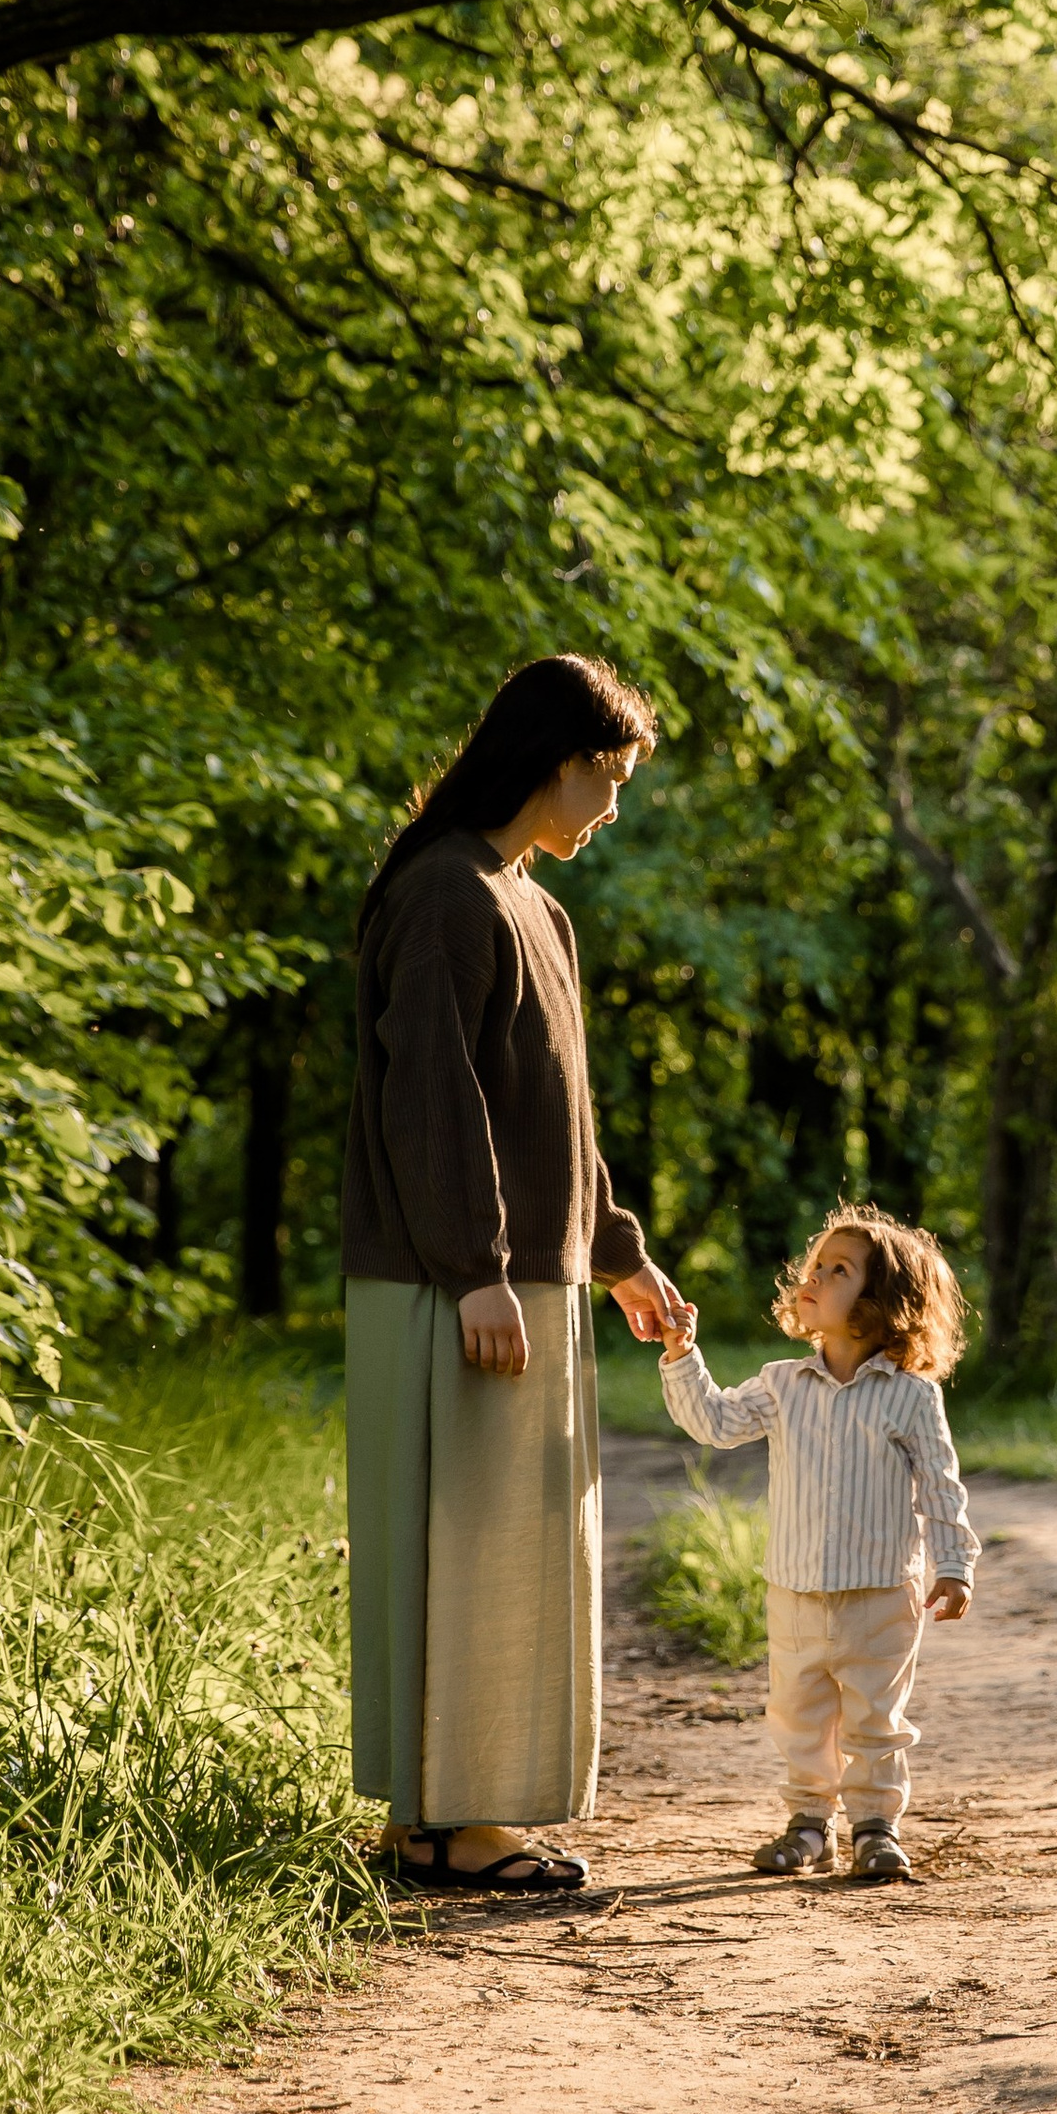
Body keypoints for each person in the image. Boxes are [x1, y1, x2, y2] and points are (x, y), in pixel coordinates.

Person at [342, 654, 689, 1895]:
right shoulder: (446, 891)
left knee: (508, 1546)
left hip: (514, 1280)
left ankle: (446, 1820)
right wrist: (479, 1269)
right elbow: (431, 1095)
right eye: (608, 776)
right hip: (451, 1287)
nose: (612, 806)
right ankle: (450, 1827)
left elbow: (559, 1119)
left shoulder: (533, 905)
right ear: (550, 758)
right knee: (467, 1543)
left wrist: (618, 1258)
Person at [657, 1204, 977, 1886]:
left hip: (881, 1593)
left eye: (839, 1270)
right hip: (794, 1590)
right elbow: (714, 1422)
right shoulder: (782, 1384)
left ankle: (875, 1829)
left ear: (883, 1301)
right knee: (798, 1717)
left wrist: (955, 1566)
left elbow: (941, 1487)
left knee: (874, 1719)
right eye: (816, 1266)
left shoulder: (910, 1397)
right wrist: (683, 1356)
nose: (816, 1277)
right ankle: (808, 1827)